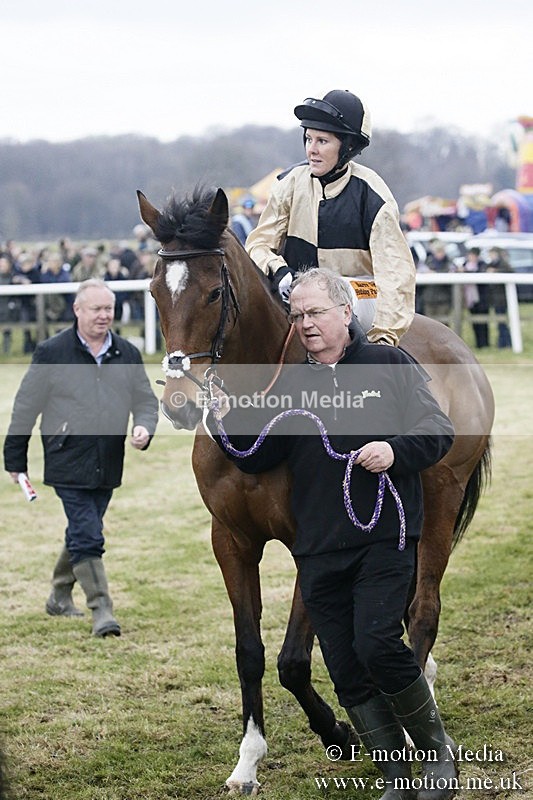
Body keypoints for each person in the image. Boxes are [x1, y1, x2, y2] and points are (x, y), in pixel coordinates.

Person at [205, 268, 457, 800]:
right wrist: (223, 420)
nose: (306, 324)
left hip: (383, 536)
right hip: (318, 548)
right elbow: (258, 454)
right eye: (298, 315)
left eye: (316, 312)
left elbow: (437, 430)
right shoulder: (291, 386)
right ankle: (396, 776)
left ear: (346, 311)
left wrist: (394, 451)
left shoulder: (390, 364)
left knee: (377, 644)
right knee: (343, 666)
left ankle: (438, 757)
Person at [3, 279, 159, 637]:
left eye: (109, 309)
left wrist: (144, 427)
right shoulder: (52, 352)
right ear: (77, 310)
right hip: (67, 459)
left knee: (82, 529)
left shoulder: (126, 353)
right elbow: (26, 407)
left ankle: (59, 595)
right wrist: (15, 460)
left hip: (109, 460)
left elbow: (145, 401)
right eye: (96, 309)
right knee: (88, 534)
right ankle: (102, 609)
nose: (104, 315)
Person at [245, 90, 416, 346]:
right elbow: (257, 245)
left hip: (361, 293)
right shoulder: (289, 183)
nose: (311, 150)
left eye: (322, 141)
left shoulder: (373, 194)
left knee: (328, 295)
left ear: (348, 146)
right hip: (300, 294)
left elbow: (396, 275)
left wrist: (384, 339)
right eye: (308, 139)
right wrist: (277, 268)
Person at [458, 247, 489, 347]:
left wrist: (466, 271)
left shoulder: (482, 265)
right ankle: (478, 343)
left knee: (483, 322)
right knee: (474, 323)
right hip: (469, 298)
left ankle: (484, 343)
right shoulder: (465, 264)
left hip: (481, 298)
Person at [486, 246, 512, 348]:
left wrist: (496, 271)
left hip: (501, 298)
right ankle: (502, 342)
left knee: (502, 322)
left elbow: (510, 272)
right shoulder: (492, 264)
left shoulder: (502, 264)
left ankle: (506, 342)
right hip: (495, 298)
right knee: (500, 322)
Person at [422, 241, 452, 322]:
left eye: (441, 251)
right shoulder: (428, 261)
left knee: (443, 322)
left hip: (443, 298)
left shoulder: (449, 263)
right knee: (428, 322)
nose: (439, 254)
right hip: (429, 297)